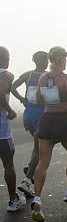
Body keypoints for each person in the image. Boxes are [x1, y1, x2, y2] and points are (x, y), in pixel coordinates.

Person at [31, 46, 67, 222]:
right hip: (63, 120)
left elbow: (38, 99)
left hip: (46, 119)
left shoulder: (43, 78)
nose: (66, 61)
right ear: (60, 59)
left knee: (43, 161)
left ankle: (37, 198)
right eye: (65, 58)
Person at [11, 51, 49, 197]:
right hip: (41, 115)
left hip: (29, 115)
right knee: (41, 149)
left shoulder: (28, 75)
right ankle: (27, 181)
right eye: (46, 60)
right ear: (44, 61)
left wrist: (22, 99)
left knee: (37, 146)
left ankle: (30, 168)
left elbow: (13, 86)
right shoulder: (47, 76)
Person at [0, 47, 26, 212]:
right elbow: (0, 92)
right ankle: (13, 201)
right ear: (5, 58)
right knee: (8, 164)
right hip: (2, 132)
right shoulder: (6, 74)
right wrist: (9, 110)